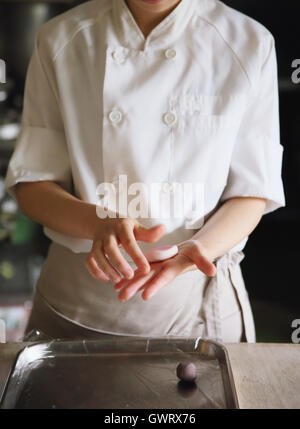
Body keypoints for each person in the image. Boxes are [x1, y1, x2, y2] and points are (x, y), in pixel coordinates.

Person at [4, 0, 285, 342]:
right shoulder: (61, 38)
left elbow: (253, 191)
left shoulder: (249, 43)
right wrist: (97, 222)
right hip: (75, 309)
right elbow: (33, 183)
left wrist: (201, 247)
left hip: (196, 307)